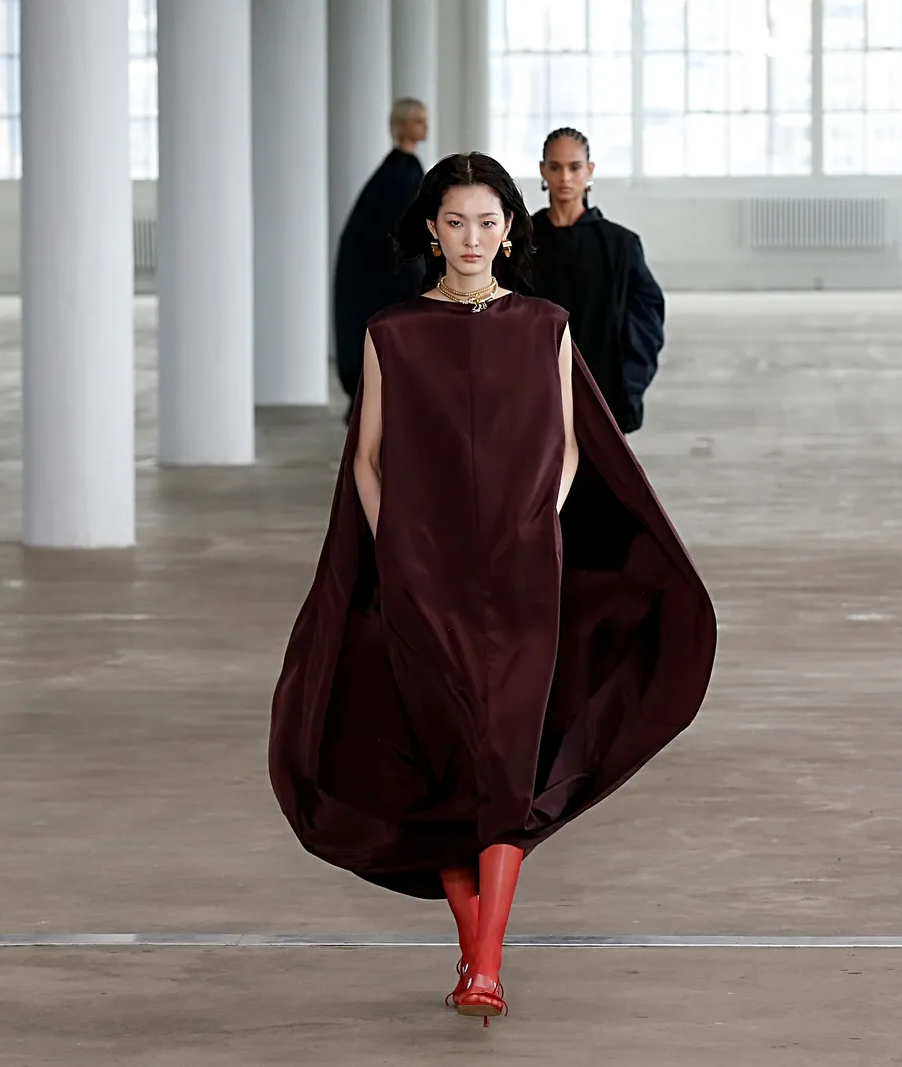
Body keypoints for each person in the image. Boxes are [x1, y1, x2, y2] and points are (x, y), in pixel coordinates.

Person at [268, 152, 717, 1024]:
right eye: (454, 222)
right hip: (421, 568)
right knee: (443, 750)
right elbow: (366, 456)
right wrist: (394, 540)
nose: (471, 238)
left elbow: (574, 439)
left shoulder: (544, 324)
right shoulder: (392, 330)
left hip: (521, 568)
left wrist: (537, 517)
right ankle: (481, 952)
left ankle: (485, 961)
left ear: (510, 229)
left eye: (486, 221)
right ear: (431, 230)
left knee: (505, 754)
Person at [530, 128, 666, 433]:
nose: (565, 177)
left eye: (574, 167)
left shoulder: (620, 245)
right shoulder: (520, 243)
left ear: (589, 171)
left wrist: (628, 386)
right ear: (543, 170)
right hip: (534, 400)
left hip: (604, 398)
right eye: (555, 167)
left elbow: (647, 321)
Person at [331, 98, 429, 417]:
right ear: (400, 126)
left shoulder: (405, 169)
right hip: (387, 277)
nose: (424, 126)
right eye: (417, 120)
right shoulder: (396, 173)